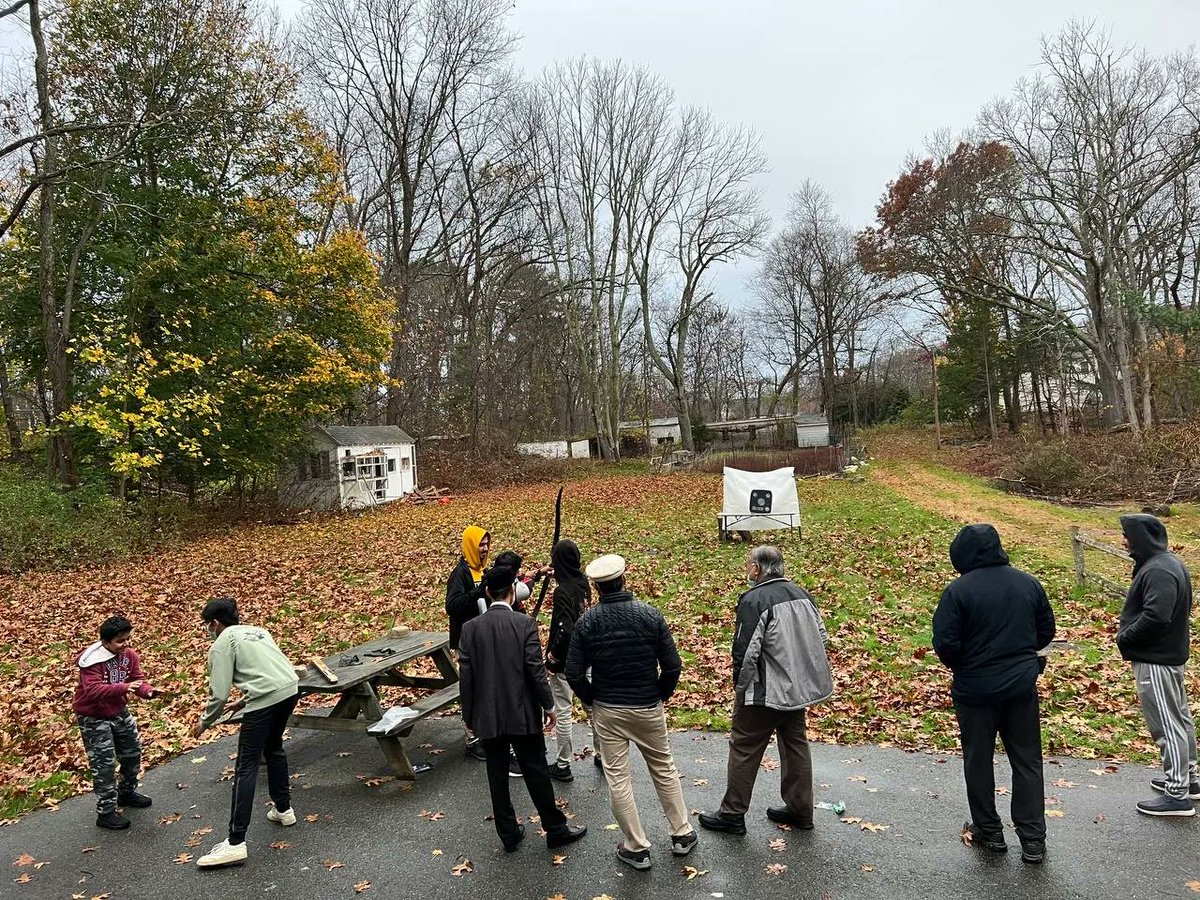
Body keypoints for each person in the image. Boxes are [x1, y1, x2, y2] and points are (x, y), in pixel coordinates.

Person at [932, 524, 1055, 865]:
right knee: (1027, 760)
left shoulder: (958, 592)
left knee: (978, 759)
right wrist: (1022, 652)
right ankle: (1033, 839)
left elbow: (945, 642)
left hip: (975, 690)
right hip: (1020, 686)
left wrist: (966, 665)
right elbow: (1047, 629)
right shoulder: (1027, 583)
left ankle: (989, 829)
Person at [565, 553, 697, 870]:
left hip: (609, 709)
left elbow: (573, 673)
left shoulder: (587, 622)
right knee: (663, 767)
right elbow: (673, 665)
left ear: (596, 587)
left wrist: (593, 697)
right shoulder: (650, 616)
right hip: (647, 705)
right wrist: (660, 693)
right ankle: (681, 832)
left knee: (618, 779)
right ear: (624, 579)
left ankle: (636, 847)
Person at [699, 545, 833, 836]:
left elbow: (745, 651)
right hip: (796, 689)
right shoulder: (802, 594)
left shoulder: (753, 599)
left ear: (757, 569)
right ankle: (800, 810)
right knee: (795, 745)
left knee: (744, 747)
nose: (747, 570)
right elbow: (822, 638)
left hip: (763, 691)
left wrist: (739, 687)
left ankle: (732, 813)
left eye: (749, 565)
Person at [458, 564, 588, 853]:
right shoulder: (524, 624)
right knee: (536, 770)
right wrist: (549, 705)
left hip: (488, 715)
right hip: (522, 712)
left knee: (497, 774)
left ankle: (508, 833)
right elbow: (534, 670)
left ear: (489, 592)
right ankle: (554, 827)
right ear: (512, 591)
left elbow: (466, 678)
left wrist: (468, 715)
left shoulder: (470, 629)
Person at [192, 597, 301, 869]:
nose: (207, 630)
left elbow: (218, 693)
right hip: (289, 690)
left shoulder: (222, 643)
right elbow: (269, 671)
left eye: (207, 625)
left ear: (214, 623)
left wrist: (205, 722)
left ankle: (235, 842)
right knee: (273, 748)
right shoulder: (259, 631)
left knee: (246, 765)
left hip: (265, 699)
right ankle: (283, 809)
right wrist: (242, 702)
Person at [1118, 514, 1198, 817]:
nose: (1123, 541)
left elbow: (1156, 616)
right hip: (1167, 656)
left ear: (1140, 537)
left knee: (1166, 724)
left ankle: (1177, 794)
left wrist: (1126, 638)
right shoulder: (1166, 563)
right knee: (1179, 718)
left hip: (1156, 659)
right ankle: (1188, 780)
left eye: (1126, 535)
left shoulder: (1159, 570)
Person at [72, 616, 158, 830]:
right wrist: (124, 687)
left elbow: (138, 680)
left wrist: (148, 692)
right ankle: (106, 812)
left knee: (132, 752)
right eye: (120, 641)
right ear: (105, 642)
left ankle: (126, 793)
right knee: (104, 763)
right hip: (93, 716)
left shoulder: (129, 656)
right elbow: (92, 691)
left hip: (118, 710)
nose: (125, 644)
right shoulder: (91, 662)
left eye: (128, 638)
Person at [544, 539, 598, 782]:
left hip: (567, 661)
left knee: (564, 710)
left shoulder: (562, 591)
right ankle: (603, 754)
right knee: (592, 707)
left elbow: (565, 627)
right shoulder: (582, 584)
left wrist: (553, 657)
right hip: (586, 656)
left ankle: (563, 764)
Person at [446, 525, 490, 761]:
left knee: (484, 689)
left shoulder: (483, 571)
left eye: (486, 544)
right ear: (471, 545)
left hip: (484, 639)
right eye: (480, 544)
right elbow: (452, 606)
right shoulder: (461, 574)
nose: (484, 549)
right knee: (471, 690)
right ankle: (472, 739)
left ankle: (483, 733)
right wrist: (478, 593)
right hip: (466, 641)